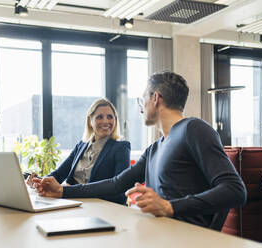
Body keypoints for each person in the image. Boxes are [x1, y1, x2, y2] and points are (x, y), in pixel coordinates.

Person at [33, 71, 247, 230]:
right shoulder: (155, 148)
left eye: (142, 99)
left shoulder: (194, 129)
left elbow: (235, 190)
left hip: (185, 238)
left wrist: (169, 207)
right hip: (157, 233)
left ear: (155, 98)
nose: (141, 106)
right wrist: (63, 191)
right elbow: (116, 183)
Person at [28, 98, 130, 205]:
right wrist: (39, 181)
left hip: (101, 207)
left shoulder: (121, 148)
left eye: (110, 117)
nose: (105, 121)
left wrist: (66, 191)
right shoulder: (81, 146)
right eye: (99, 117)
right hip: (73, 203)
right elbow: (58, 175)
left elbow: (120, 192)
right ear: (90, 121)